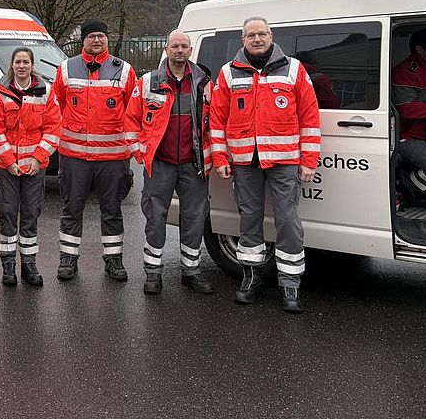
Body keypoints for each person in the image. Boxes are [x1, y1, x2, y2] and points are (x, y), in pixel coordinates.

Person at [210, 17, 321, 313]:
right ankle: (251, 278)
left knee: (287, 220)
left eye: (262, 34)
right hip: (244, 161)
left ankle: (290, 283)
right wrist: (220, 158)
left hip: (284, 161)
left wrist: (309, 160)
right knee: (249, 220)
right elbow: (217, 121)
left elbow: (310, 118)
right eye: (251, 35)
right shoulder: (228, 73)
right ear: (242, 40)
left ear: (271, 36)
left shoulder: (294, 69)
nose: (257, 39)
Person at [124, 31, 214, 296]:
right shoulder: (147, 82)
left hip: (193, 163)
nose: (179, 50)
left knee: (195, 218)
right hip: (160, 163)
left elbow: (215, 121)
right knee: (155, 217)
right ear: (166, 49)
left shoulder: (203, 82)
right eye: (175, 45)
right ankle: (153, 273)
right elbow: (131, 120)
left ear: (190, 50)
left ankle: (191, 271)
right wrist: (140, 152)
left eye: (184, 46)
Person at [51, 18, 137, 281]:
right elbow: (57, 106)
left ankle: (114, 261)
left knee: (112, 210)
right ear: (83, 41)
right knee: (71, 208)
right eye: (91, 37)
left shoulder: (124, 70)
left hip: (112, 158)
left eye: (101, 36)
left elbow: (134, 111)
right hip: (75, 157)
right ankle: (68, 259)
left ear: (107, 39)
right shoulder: (66, 68)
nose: (96, 40)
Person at [0, 48, 60, 286]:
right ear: (12, 65)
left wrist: (37, 159)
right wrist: (10, 162)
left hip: (34, 167)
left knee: (31, 214)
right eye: (17, 61)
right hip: (7, 167)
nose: (21, 66)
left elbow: (53, 129)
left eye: (26, 62)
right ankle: (8, 266)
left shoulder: (45, 92)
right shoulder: (0, 92)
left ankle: (29, 264)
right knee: (8, 213)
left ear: (32, 65)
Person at [391, 28, 426, 204]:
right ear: (420, 49)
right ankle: (405, 185)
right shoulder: (405, 73)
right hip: (407, 136)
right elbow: (408, 110)